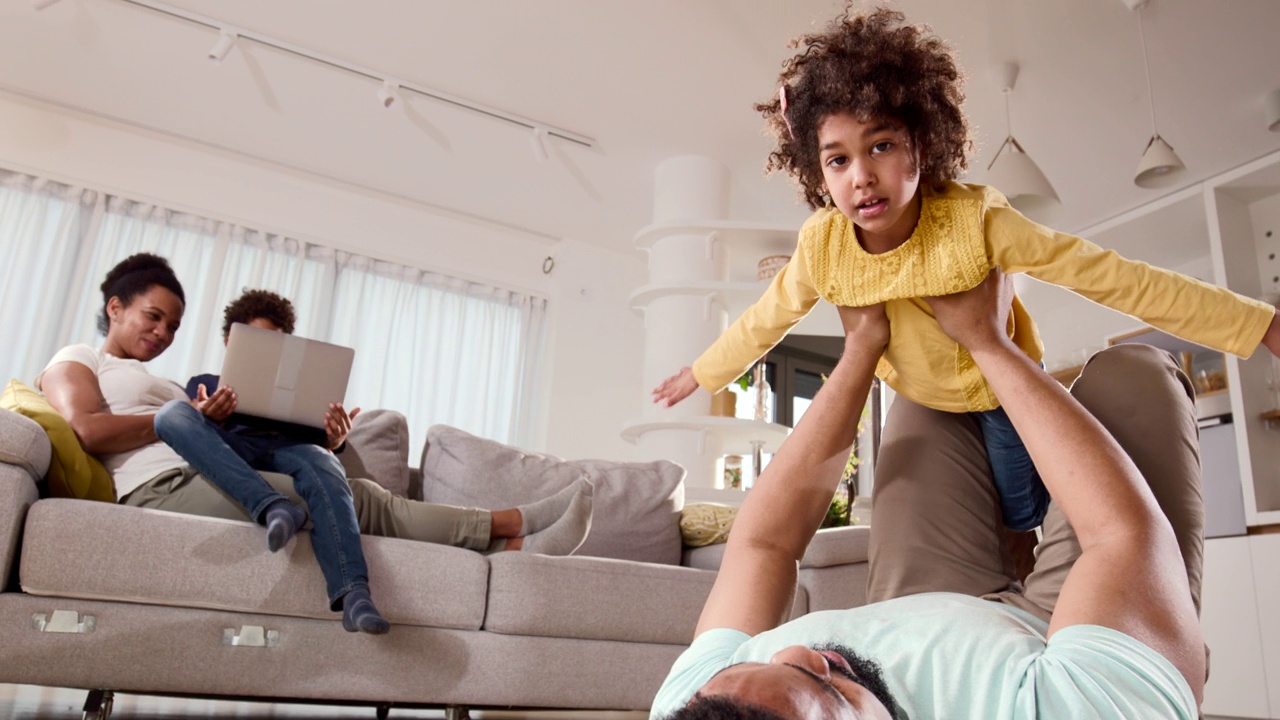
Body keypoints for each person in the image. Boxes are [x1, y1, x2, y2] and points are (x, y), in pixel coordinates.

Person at [650, 5, 1280, 535]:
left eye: (881, 146)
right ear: (817, 175)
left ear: (922, 146)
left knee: (1020, 509)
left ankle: (1040, 517)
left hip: (997, 389)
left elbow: (1113, 276)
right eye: (837, 160)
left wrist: (1258, 326)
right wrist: (703, 373)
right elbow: (768, 317)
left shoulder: (976, 223)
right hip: (922, 397)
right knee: (942, 514)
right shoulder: (822, 246)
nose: (862, 175)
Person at [650, 268, 1206, 719]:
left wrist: (861, 349)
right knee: (1134, 375)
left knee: (934, 384)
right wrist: (990, 342)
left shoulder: (697, 705)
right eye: (826, 691)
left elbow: (764, 546)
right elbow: (1122, 533)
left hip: (915, 598)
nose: (794, 651)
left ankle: (1007, 526)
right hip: (1054, 641)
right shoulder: (1072, 709)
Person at [38, 255, 594, 635]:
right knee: (356, 501)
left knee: (339, 482)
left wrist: (334, 441)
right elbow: (85, 428)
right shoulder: (83, 359)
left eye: (173, 325)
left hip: (204, 472)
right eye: (152, 317)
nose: (162, 333)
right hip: (163, 485)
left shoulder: (168, 385)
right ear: (115, 307)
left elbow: (310, 459)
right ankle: (507, 528)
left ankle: (514, 543)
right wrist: (185, 417)